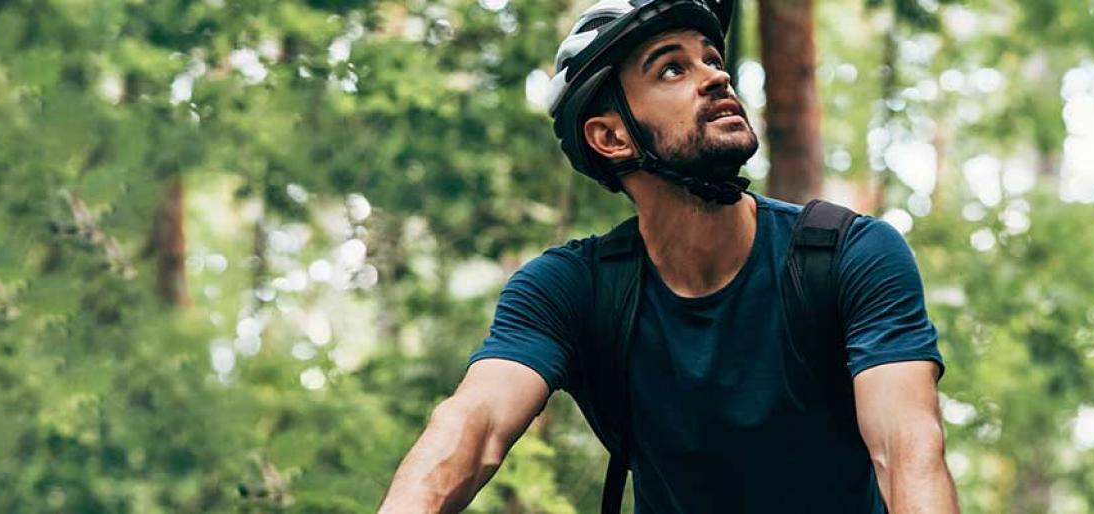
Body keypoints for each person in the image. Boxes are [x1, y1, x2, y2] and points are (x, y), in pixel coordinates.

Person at [378, 0, 954, 512]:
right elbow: (473, 425)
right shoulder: (570, 290)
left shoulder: (848, 255)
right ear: (612, 138)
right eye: (672, 68)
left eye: (711, 58)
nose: (716, 76)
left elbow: (907, 453)